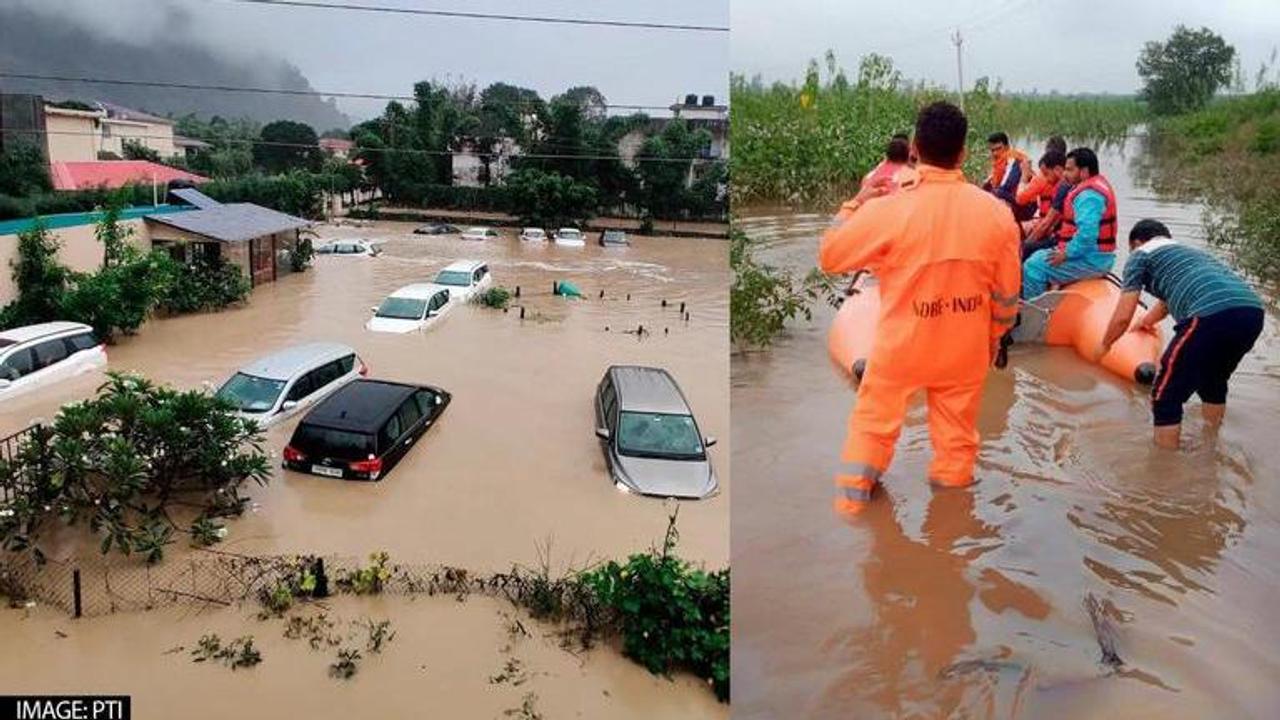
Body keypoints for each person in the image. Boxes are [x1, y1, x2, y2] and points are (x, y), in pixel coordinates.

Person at [818, 101, 1021, 514]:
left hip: (900, 347)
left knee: (872, 430)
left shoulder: (888, 209)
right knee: (956, 444)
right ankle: (949, 531)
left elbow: (831, 256)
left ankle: (852, 515)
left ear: (914, 148)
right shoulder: (997, 215)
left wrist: (854, 203)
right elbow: (1006, 297)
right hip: (963, 349)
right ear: (963, 153)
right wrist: (992, 340)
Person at [1100, 219, 1264, 449]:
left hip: (1210, 314)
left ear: (1136, 242)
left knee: (1165, 395)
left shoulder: (1140, 255)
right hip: (1251, 313)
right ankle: (1210, 446)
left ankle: (1165, 471)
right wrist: (1146, 322)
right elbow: (1166, 304)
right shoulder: (1187, 254)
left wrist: (1104, 346)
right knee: (1213, 381)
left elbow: (1122, 316)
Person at [1021, 147, 1117, 299]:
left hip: (1091, 260)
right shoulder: (1092, 187)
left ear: (1084, 171)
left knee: (1033, 266)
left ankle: (1033, 317)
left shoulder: (1089, 196)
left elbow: (1087, 235)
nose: (1065, 174)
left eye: (1070, 170)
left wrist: (1066, 254)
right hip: (1091, 255)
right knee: (1038, 255)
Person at [1015, 150, 1067, 260]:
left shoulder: (1059, 185)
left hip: (1056, 234)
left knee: (1024, 245)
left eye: (1046, 174)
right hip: (1052, 227)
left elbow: (1019, 199)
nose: (1046, 178)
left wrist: (1024, 176)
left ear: (1058, 169)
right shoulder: (1070, 184)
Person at [983, 132, 1032, 219]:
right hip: (1013, 198)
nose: (995, 153)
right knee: (986, 189)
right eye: (992, 150)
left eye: (998, 149)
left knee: (995, 193)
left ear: (1007, 147)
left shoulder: (1013, 159)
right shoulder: (1000, 162)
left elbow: (1006, 186)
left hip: (1027, 205)